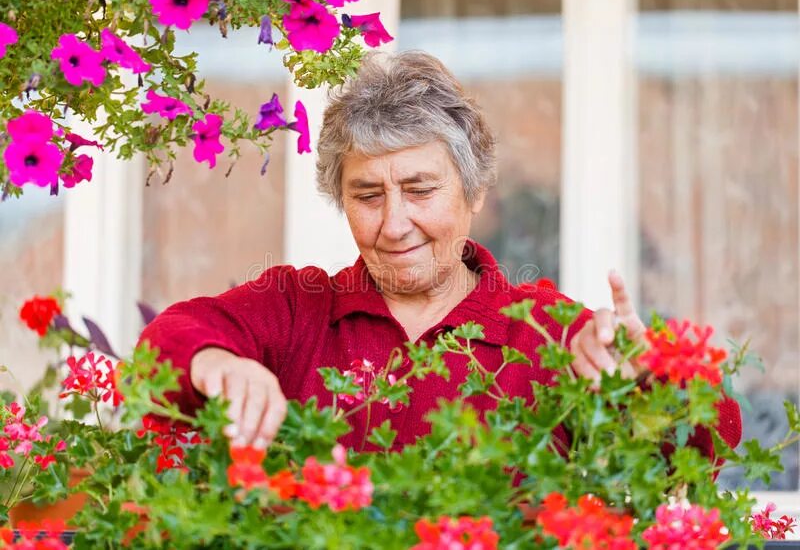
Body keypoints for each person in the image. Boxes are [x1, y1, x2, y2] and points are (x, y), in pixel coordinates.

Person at [139, 51, 741, 456]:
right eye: (367, 195)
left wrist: (645, 382)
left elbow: (712, 439)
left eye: (421, 190)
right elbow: (166, 342)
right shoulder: (298, 309)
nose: (395, 224)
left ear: (475, 191)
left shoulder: (547, 333)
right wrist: (217, 362)